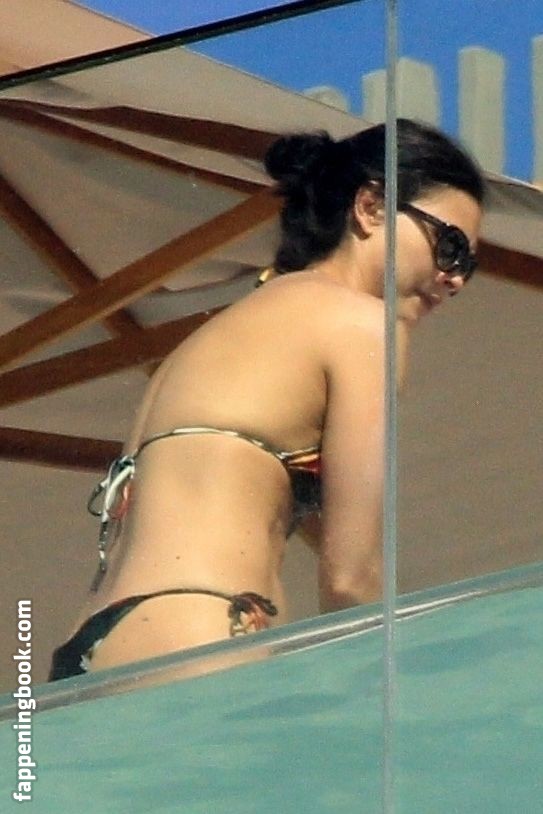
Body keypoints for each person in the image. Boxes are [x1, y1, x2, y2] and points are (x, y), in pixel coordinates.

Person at [49, 118, 484, 680]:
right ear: (371, 207)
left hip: (88, 653)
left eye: (468, 265)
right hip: (203, 629)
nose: (455, 279)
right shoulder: (363, 326)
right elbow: (351, 577)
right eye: (450, 246)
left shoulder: (209, 338)